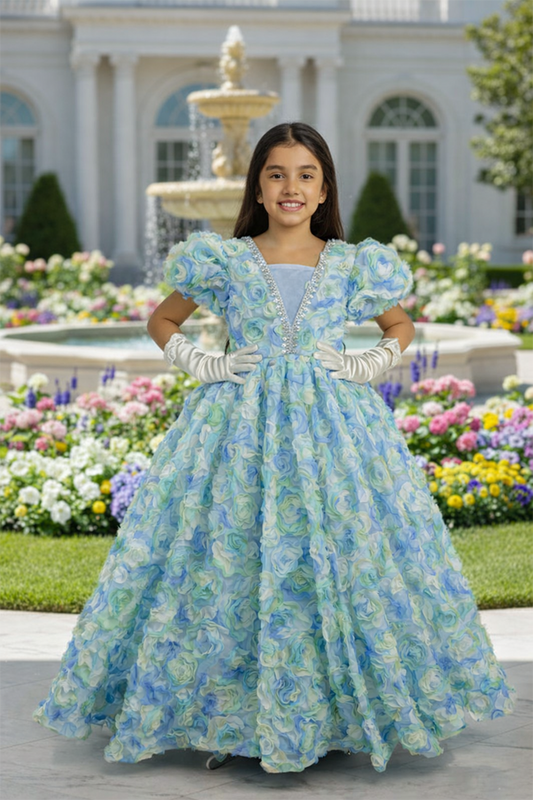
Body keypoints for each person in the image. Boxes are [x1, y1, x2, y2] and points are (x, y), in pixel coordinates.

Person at [32, 122, 517, 775]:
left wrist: (365, 363)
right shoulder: (226, 260)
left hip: (332, 430)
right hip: (237, 425)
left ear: (323, 190)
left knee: (336, 559)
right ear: (257, 186)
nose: (291, 187)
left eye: (305, 175)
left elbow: (400, 325)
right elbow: (161, 319)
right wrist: (201, 364)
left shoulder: (349, 262)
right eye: (277, 174)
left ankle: (335, 713)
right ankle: (231, 717)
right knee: (232, 559)